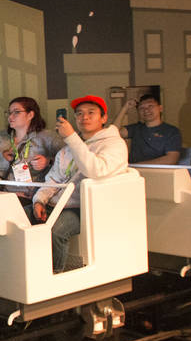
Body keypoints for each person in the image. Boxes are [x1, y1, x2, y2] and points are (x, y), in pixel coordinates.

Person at [31, 95, 128, 273]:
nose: (85, 117)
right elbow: (53, 179)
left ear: (104, 118)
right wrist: (39, 200)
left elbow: (95, 170)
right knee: (18, 219)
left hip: (86, 207)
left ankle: (54, 276)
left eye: (91, 113)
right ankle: (31, 272)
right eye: (79, 114)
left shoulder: (114, 144)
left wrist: (72, 138)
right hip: (59, 203)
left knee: (55, 231)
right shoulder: (68, 148)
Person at [0, 96, 62, 202]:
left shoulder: (48, 137)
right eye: (9, 113)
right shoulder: (0, 137)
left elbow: (69, 162)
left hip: (27, 196)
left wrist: (48, 161)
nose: (10, 116)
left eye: (16, 112)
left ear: (30, 115)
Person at [112, 93, 182, 165]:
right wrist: (125, 108)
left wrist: (139, 166)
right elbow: (112, 133)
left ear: (160, 108)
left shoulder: (171, 131)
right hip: (134, 173)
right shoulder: (136, 128)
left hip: (159, 173)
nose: (146, 110)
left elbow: (171, 159)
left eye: (150, 106)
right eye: (141, 108)